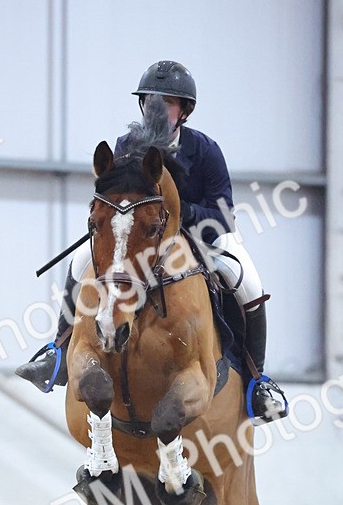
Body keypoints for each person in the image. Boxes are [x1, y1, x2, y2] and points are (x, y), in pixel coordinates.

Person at [16, 60, 288, 423]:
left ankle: (257, 382)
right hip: (141, 237)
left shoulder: (205, 150)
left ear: (184, 110)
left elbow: (223, 214)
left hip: (202, 233)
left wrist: (182, 213)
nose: (157, 107)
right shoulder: (127, 144)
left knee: (247, 281)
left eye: (168, 102)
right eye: (151, 100)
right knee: (79, 261)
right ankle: (57, 353)